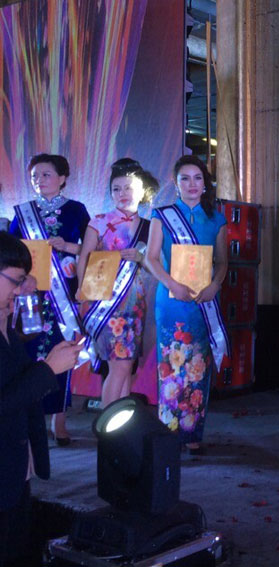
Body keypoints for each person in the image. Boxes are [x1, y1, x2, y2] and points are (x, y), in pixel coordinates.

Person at [0, 232, 82, 566]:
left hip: (15, 467)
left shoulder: (6, 318)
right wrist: (49, 370)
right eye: (16, 280)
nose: (20, 288)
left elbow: (16, 374)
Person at [146, 155, 227, 454]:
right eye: (185, 178)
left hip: (203, 301)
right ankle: (168, 433)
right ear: (175, 183)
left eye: (197, 178)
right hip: (171, 300)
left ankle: (192, 432)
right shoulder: (162, 215)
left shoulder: (216, 219)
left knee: (197, 366)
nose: (192, 184)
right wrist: (172, 284)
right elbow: (150, 258)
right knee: (170, 366)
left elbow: (223, 261)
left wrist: (215, 285)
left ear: (205, 183)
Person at [9, 153, 90, 446]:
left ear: (62, 177)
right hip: (31, 294)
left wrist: (67, 246)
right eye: (35, 176)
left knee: (62, 350)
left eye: (45, 174)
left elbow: (92, 249)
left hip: (63, 296)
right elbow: (12, 251)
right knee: (30, 352)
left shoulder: (76, 210)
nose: (39, 180)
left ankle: (60, 420)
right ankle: (31, 417)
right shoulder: (24, 212)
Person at [77, 159, 155, 407]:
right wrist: (81, 289)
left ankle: (119, 419)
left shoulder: (150, 227)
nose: (122, 193)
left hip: (135, 303)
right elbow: (84, 257)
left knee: (127, 366)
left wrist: (141, 259)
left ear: (142, 191)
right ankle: (108, 420)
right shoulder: (99, 221)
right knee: (118, 366)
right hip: (105, 302)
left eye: (128, 188)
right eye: (116, 189)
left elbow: (157, 266)